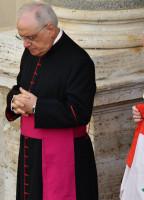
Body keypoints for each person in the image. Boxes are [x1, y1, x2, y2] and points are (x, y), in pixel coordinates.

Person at [5, 2, 98, 200]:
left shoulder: (78, 61)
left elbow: (80, 113)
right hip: (31, 149)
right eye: (22, 37)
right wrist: (15, 101)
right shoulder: (31, 51)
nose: (25, 44)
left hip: (64, 155)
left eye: (30, 37)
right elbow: (20, 86)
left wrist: (37, 106)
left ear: (50, 29)